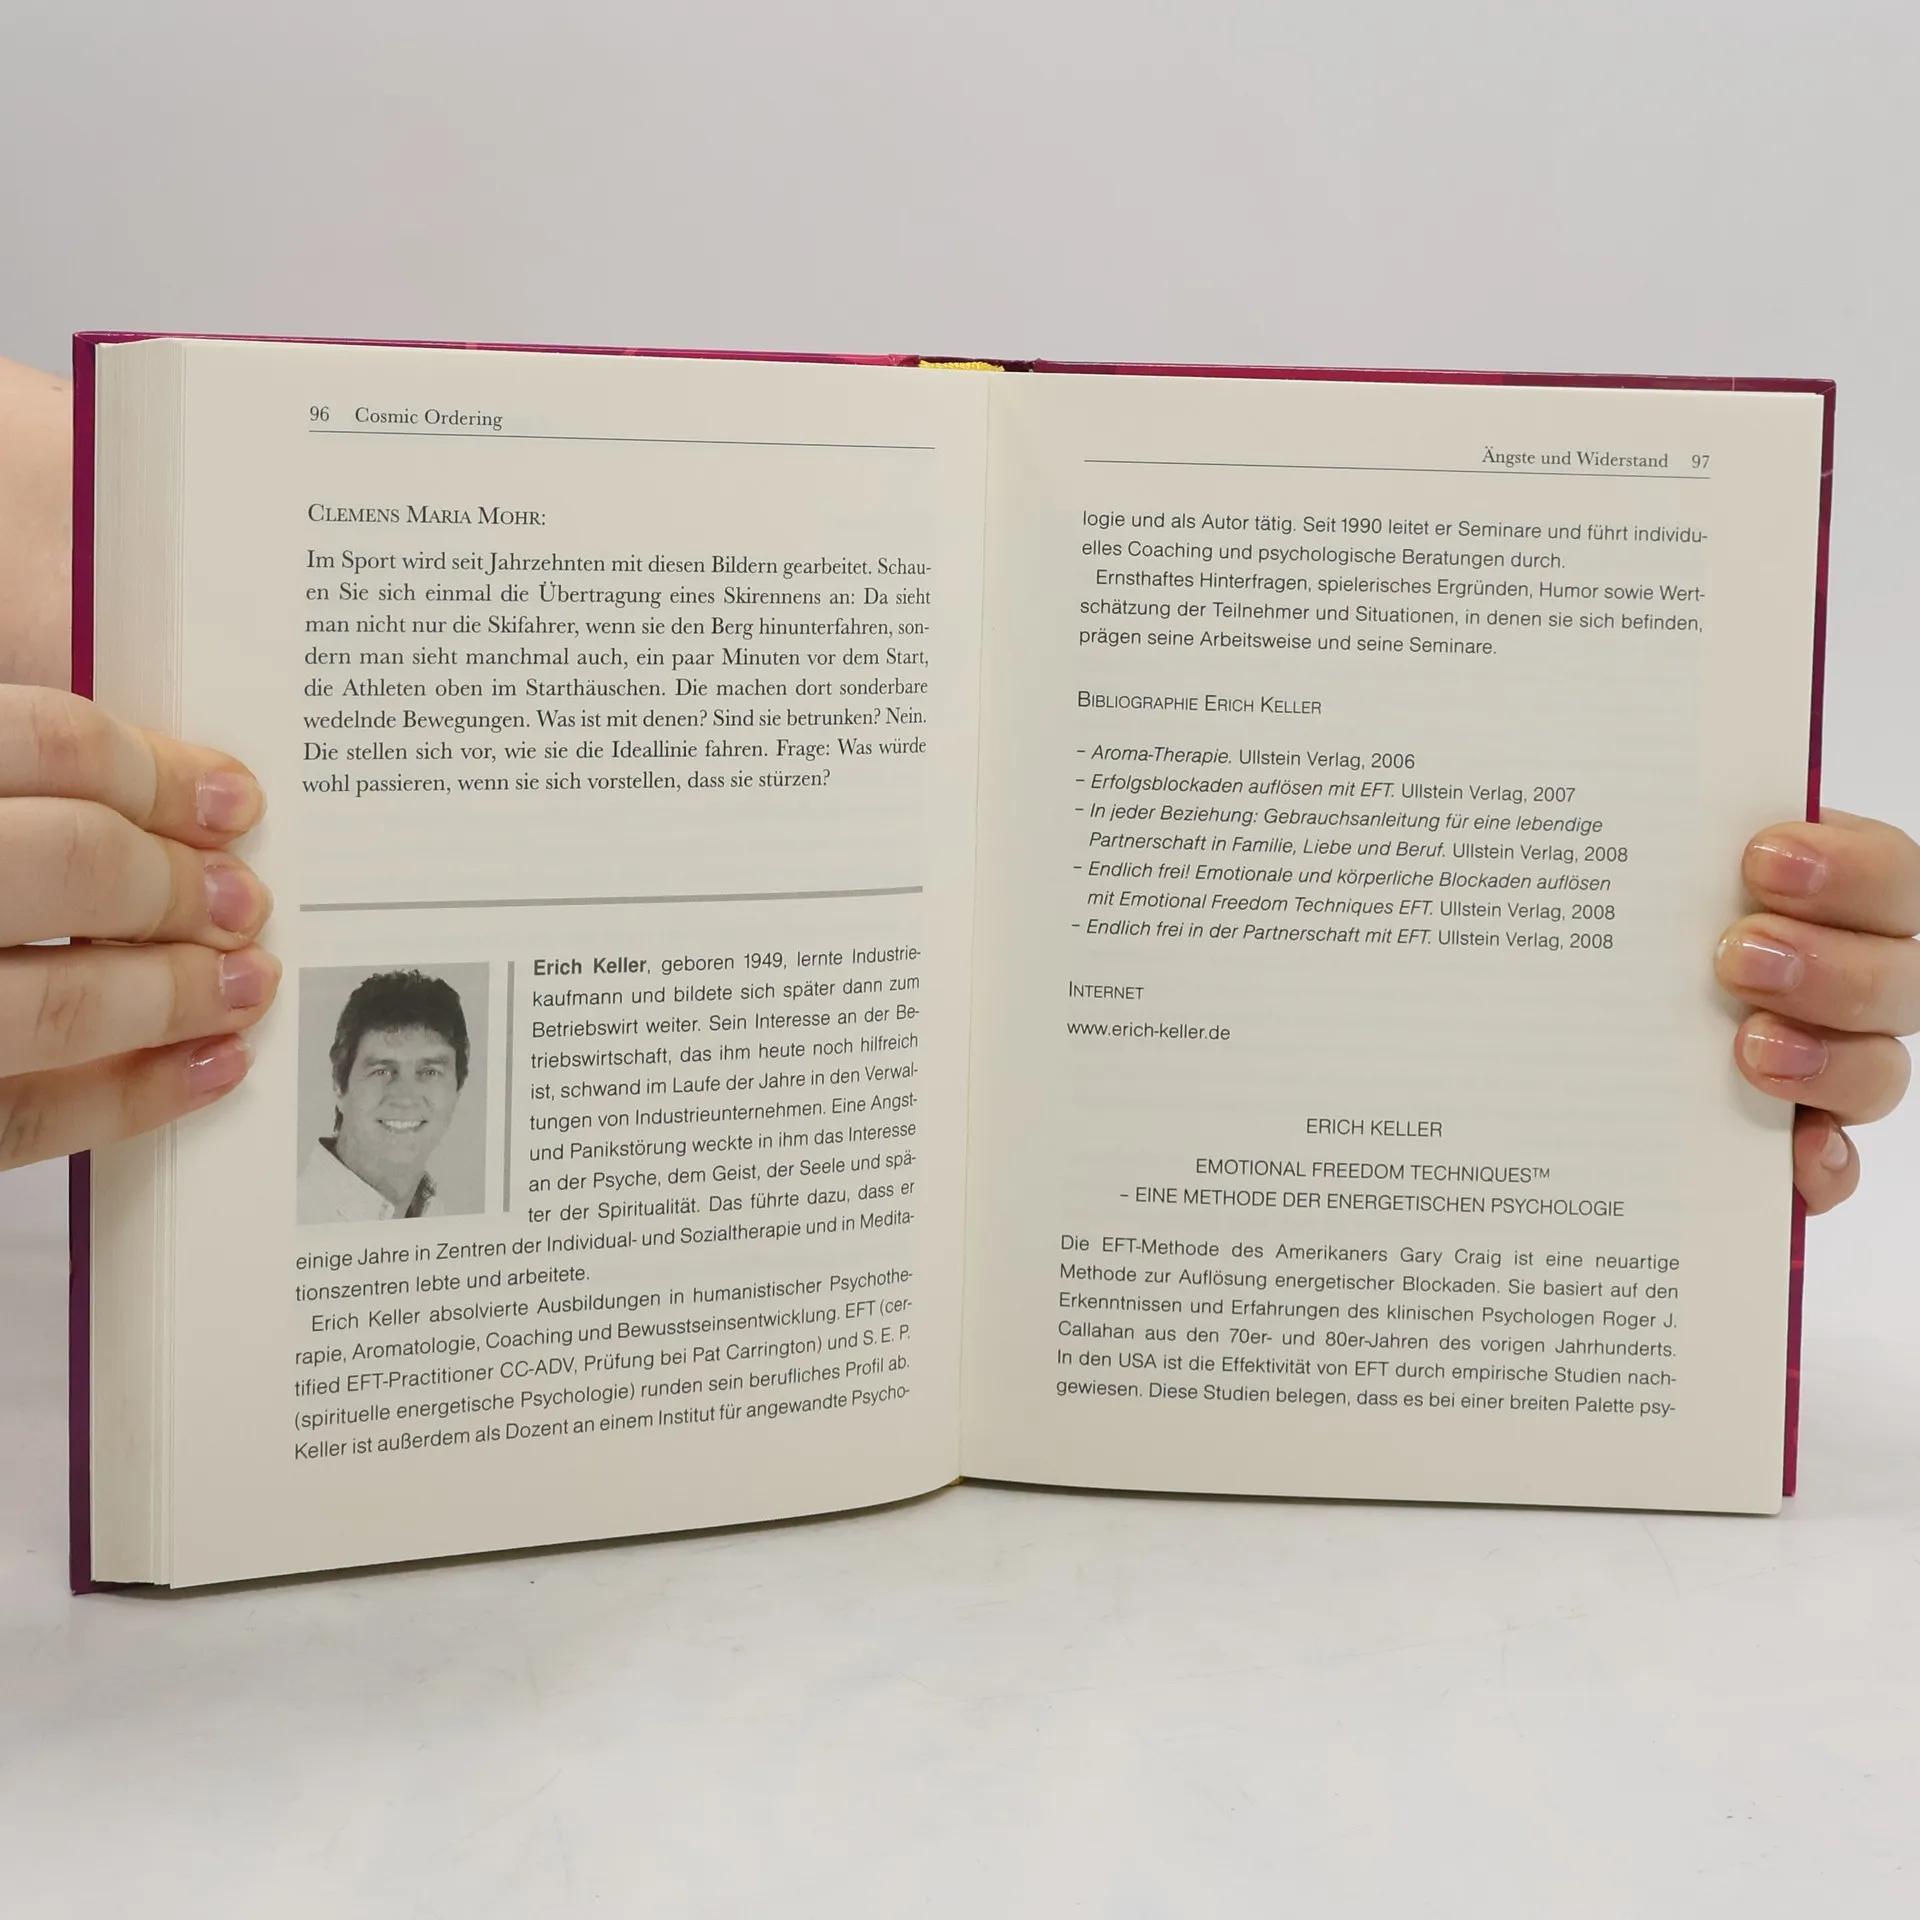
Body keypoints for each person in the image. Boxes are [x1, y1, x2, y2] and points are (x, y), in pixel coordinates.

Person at [1, 351, 1915, 1210]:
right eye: (399, 1074)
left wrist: (1648, 1098)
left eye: (433, 1069)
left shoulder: (120, 534)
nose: (414, 1093)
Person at [298, 970, 470, 1222]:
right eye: (381, 1071)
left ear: (457, 1090)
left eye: (430, 1072)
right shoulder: (296, 1215)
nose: (406, 1097)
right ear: (339, 1084)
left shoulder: (440, 1217)